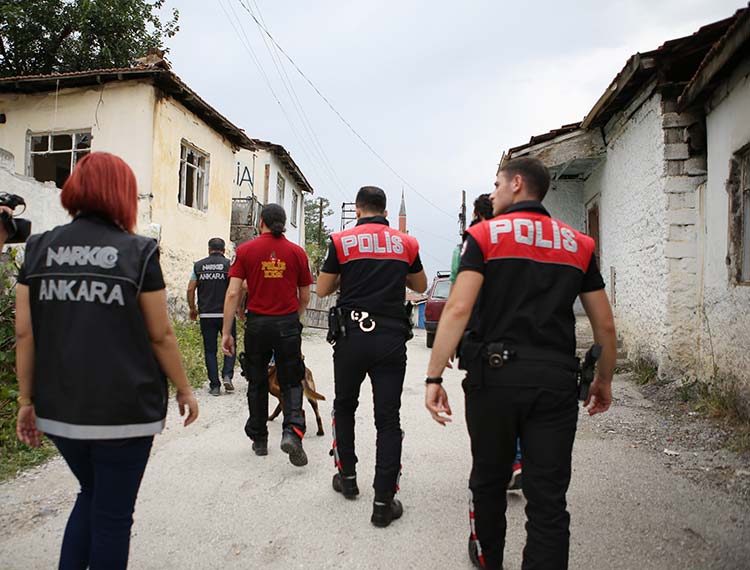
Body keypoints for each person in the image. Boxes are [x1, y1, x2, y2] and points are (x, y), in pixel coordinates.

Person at [424, 157, 616, 569]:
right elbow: (605, 325)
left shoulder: (484, 236)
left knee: (489, 483)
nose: (491, 193)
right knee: (548, 498)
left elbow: (457, 308)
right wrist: (604, 380)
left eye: (496, 185)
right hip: (556, 383)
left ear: (515, 184)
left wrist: (434, 376)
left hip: (493, 380)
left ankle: (488, 559)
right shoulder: (579, 244)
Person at [14, 152, 199, 570]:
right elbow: (160, 333)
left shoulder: (38, 247)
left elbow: (25, 332)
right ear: (123, 195)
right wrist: (185, 389)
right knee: (113, 516)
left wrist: (27, 400)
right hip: (126, 412)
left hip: (60, 409)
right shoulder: (138, 251)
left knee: (91, 495)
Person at [316, 186, 427, 528]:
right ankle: (383, 502)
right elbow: (420, 286)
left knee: (345, 406)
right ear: (385, 209)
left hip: (351, 338)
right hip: (391, 341)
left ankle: (347, 478)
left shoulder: (342, 241)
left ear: (359, 209)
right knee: (388, 419)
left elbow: (322, 289)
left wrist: (348, 278)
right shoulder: (405, 244)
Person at [221, 203, 312, 466]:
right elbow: (305, 295)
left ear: (261, 222)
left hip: (257, 326)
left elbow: (233, 292)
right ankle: (292, 432)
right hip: (286, 324)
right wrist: (294, 319)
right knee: (292, 379)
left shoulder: (245, 251)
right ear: (283, 223)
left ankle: (260, 439)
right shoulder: (297, 253)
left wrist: (227, 332)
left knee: (257, 380)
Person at [451, 194, 524, 491]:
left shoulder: (470, 244)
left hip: (483, 337)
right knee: (516, 401)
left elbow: (458, 295)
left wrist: (449, 340)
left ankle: (492, 466)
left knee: (486, 404)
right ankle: (516, 460)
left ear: (478, 216)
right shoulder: (516, 240)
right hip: (519, 334)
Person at [187, 237, 236, 396]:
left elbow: (190, 289)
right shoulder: (230, 265)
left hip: (206, 314)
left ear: (209, 249)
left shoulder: (198, 266)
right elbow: (238, 288)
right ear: (224, 250)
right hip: (226, 314)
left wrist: (193, 308)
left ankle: (215, 385)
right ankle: (227, 375)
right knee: (229, 345)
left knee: (210, 350)